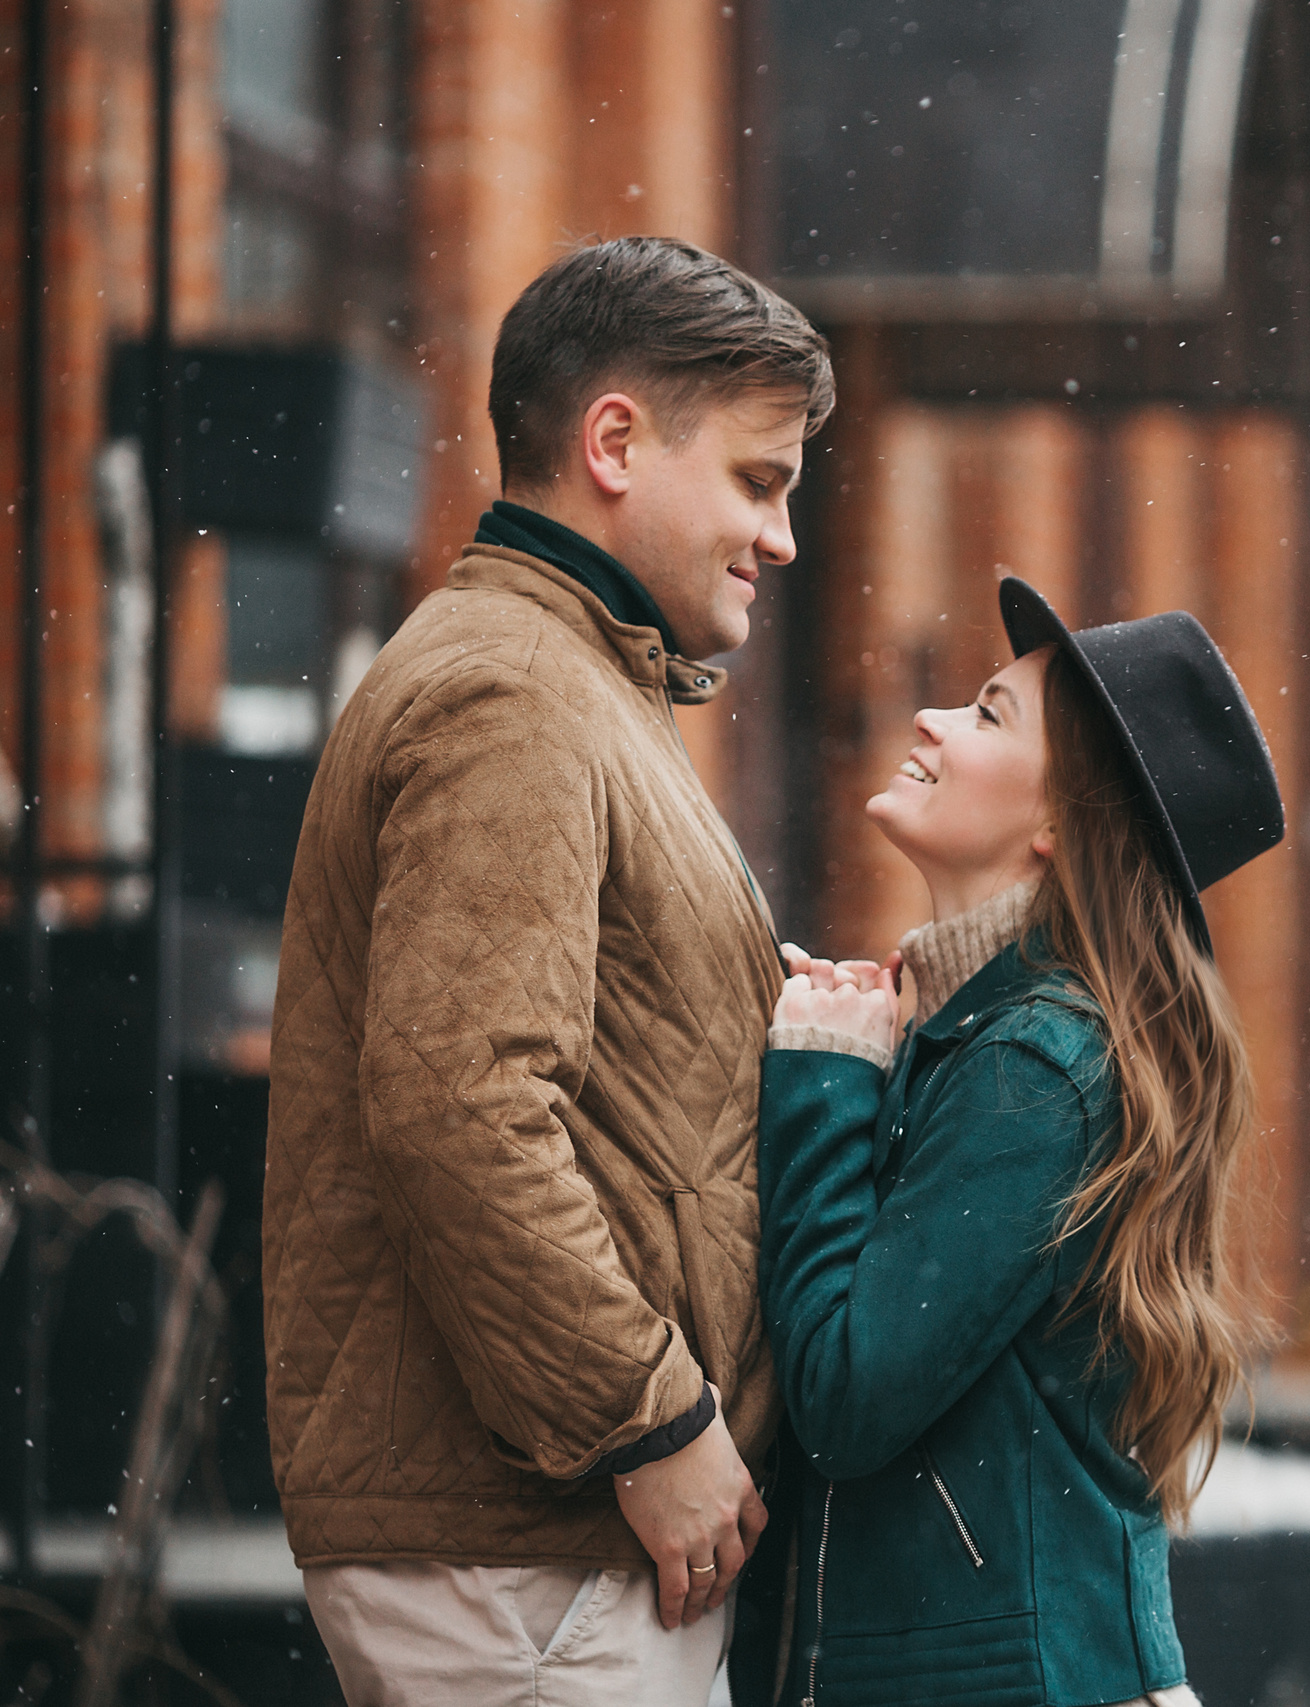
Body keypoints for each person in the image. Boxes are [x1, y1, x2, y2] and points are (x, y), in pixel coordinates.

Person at [263, 236, 832, 1706]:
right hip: (526, 1559)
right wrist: (649, 1424)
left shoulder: (574, 678)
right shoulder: (514, 690)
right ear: (615, 443)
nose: (782, 538)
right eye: (759, 481)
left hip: (544, 1552)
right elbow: (457, 1106)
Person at [727, 578, 1286, 1707]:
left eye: (988, 714)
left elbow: (845, 1397)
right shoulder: (975, 1039)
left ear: (1058, 827)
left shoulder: (1034, 1068)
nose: (930, 719)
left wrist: (824, 1089)